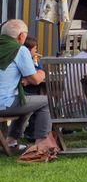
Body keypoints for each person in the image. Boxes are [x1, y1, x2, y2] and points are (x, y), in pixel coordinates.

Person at [0, 19, 55, 161]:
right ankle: (40, 144)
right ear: (21, 36)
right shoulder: (19, 49)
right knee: (46, 101)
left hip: (6, 100)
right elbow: (35, 80)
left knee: (26, 100)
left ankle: (11, 140)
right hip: (3, 103)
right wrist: (42, 72)